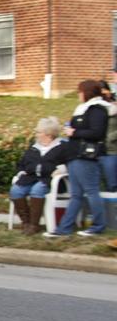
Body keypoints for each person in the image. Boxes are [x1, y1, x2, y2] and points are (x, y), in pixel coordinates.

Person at [45, 80, 115, 237]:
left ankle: (98, 226)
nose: (78, 94)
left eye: (80, 91)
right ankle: (64, 228)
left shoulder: (97, 109)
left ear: (87, 92)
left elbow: (97, 132)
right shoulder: (86, 109)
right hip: (76, 155)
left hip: (86, 156)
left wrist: (74, 132)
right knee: (76, 194)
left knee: (91, 191)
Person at [10, 117, 68, 235]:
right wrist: (21, 172)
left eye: (39, 132)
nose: (36, 134)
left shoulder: (62, 147)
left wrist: (61, 169)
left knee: (37, 190)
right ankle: (26, 223)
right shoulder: (34, 147)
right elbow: (21, 164)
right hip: (30, 177)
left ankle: (34, 225)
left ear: (48, 134)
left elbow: (70, 162)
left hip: (49, 179)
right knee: (15, 191)